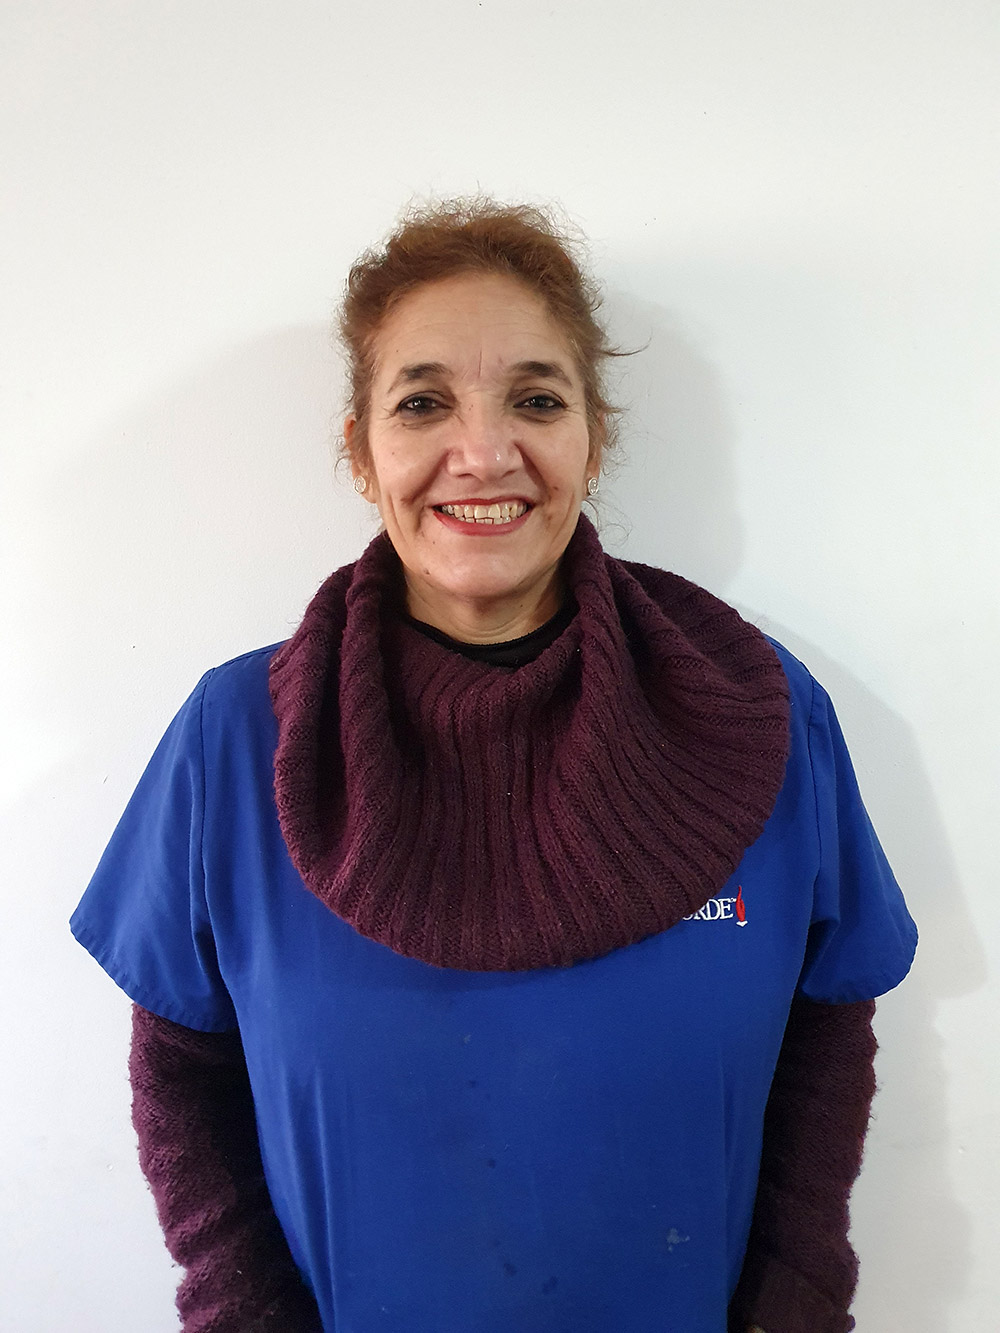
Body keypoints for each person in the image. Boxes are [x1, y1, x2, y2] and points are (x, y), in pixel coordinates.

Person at [70, 199, 917, 1333]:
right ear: (361, 452)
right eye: (423, 403)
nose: (483, 452)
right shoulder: (236, 739)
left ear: (592, 440)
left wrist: (796, 1301)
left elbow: (828, 1020)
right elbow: (183, 1062)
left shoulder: (758, 712)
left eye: (536, 399)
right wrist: (241, 1312)